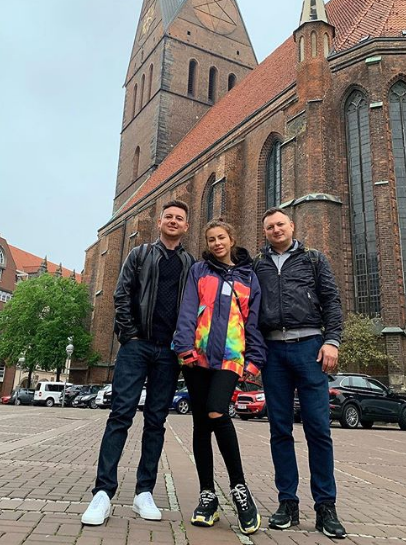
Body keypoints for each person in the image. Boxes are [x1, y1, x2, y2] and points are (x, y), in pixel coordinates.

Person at [81, 200, 194, 527]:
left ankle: (144, 492)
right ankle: (103, 493)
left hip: (169, 353)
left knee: (156, 421)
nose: (173, 221)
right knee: (120, 415)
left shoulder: (189, 263)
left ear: (186, 226)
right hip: (137, 347)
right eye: (168, 216)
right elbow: (121, 294)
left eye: (179, 218)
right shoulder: (140, 254)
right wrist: (130, 335)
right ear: (159, 222)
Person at [254, 208, 346, 539]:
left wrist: (332, 341)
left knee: (318, 430)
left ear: (292, 226)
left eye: (281, 224)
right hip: (273, 352)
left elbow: (332, 301)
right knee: (279, 430)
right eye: (270, 227)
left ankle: (326, 507)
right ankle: (287, 503)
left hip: (310, 347)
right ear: (265, 232)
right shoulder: (258, 265)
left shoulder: (313, 259)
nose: (276, 230)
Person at [173, 219, 266, 536]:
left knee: (216, 412)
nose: (216, 243)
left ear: (231, 239)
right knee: (201, 424)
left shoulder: (248, 277)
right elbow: (188, 309)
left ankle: (240, 489)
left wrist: (255, 359)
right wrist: (183, 347)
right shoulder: (199, 271)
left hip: (230, 356)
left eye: (221, 237)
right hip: (197, 356)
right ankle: (207, 495)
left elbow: (253, 321)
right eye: (211, 238)